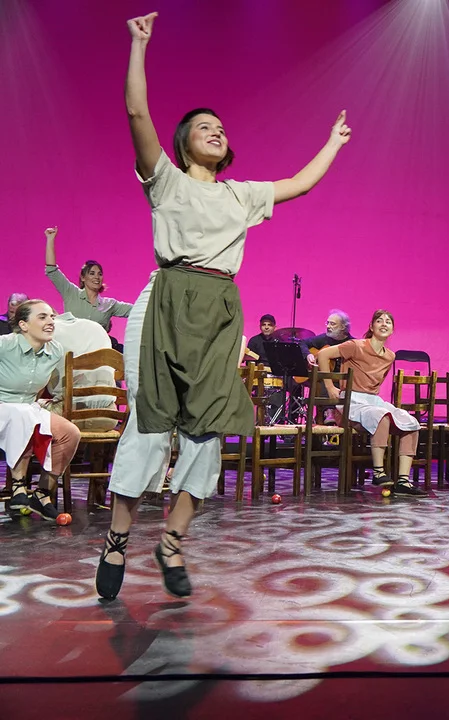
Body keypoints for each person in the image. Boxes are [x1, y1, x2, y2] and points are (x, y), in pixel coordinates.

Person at [96, 11, 351, 601]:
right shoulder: (164, 179)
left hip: (218, 309)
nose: (215, 131)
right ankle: (116, 539)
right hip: (166, 300)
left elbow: (301, 183)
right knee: (151, 424)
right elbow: (136, 113)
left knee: (208, 430)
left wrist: (332, 144)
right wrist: (139, 46)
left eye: (220, 127)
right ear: (183, 141)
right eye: (203, 127)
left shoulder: (241, 194)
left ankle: (172, 542)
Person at [317, 310, 426, 496]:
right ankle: (378, 472)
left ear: (392, 329)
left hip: (372, 402)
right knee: (381, 416)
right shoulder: (355, 346)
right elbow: (323, 355)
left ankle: (403, 481)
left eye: (388, 322)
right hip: (350, 402)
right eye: (379, 321)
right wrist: (330, 387)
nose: (384, 324)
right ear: (371, 326)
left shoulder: (390, 356)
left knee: (411, 422)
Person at [0, 300, 81, 521]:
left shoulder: (55, 350)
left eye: (52, 317)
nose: (51, 322)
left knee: (70, 433)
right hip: (3, 406)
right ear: (23, 325)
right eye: (42, 317)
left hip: (27, 407)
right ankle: (18, 487)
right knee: (22, 415)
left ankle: (42, 492)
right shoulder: (5, 345)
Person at [44, 227, 134, 346]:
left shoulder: (109, 304)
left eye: (100, 274)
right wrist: (50, 239)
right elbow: (52, 270)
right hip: (71, 350)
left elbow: (135, 310)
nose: (96, 277)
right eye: (92, 273)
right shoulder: (71, 293)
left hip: (98, 351)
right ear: (83, 277)